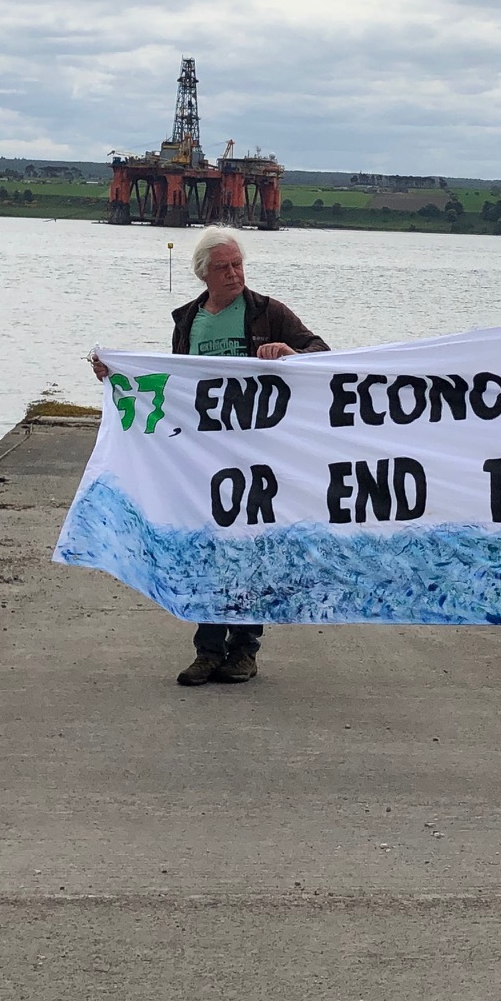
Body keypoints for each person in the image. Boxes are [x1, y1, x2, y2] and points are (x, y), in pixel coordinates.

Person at [92, 225, 328, 686]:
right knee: (206, 547)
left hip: (259, 454)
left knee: (249, 548)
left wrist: (290, 353)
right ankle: (207, 649)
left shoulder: (268, 312)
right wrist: (115, 373)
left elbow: (322, 355)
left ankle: (244, 650)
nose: (234, 274)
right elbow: (172, 381)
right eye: (223, 267)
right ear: (204, 274)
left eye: (238, 264)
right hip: (202, 457)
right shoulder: (188, 320)